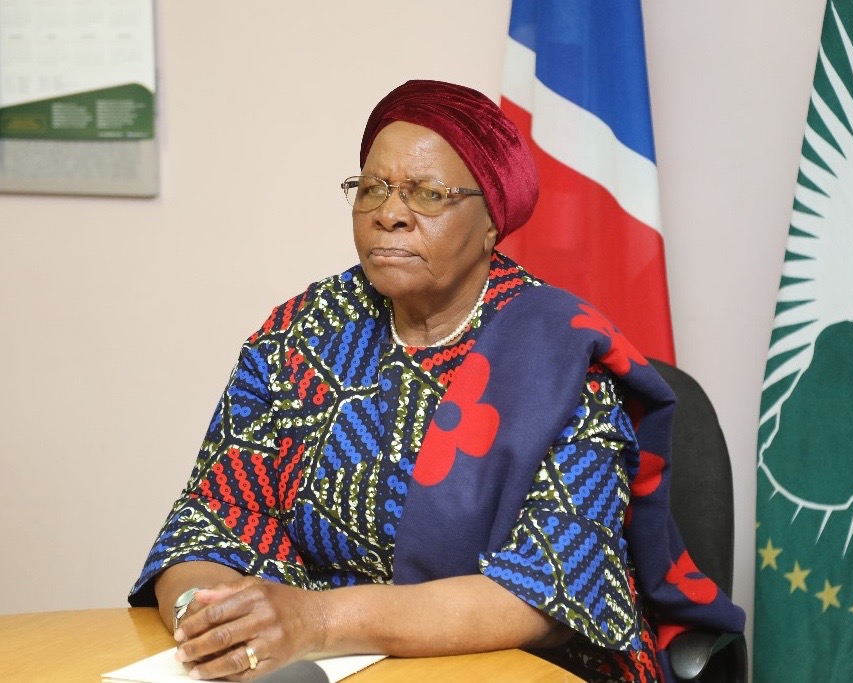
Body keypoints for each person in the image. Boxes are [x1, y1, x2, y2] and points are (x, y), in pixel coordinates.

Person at [129, 79, 744, 682]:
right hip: (326, 666)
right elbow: (209, 519)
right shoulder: (301, 332)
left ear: (491, 222)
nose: (390, 214)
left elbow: (546, 590)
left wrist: (317, 620)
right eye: (372, 189)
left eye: (427, 194)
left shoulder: (561, 357)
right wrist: (210, 624)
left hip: (526, 668)